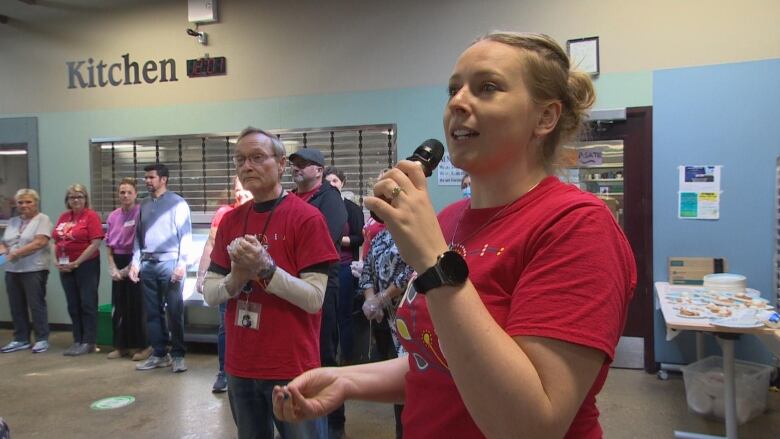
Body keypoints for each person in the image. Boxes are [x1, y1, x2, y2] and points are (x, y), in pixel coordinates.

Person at [272, 32, 636, 439]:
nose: (457, 102)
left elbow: (532, 424)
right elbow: (442, 364)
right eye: (453, 89)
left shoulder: (576, 226)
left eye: (487, 87)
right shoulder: (448, 220)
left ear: (545, 117)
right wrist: (348, 381)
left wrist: (432, 261)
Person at [202, 127, 338, 439]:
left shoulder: (306, 218)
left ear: (280, 165)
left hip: (291, 367)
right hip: (240, 366)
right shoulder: (231, 221)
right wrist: (237, 278)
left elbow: (315, 298)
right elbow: (210, 293)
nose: (246, 166)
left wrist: (266, 269)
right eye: (240, 160)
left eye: (257, 157)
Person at [289, 148, 348, 438]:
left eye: (303, 165)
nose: (296, 169)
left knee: (323, 350)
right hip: (290, 284)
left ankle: (333, 420)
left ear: (319, 170)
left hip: (323, 285)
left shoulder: (331, 199)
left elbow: (324, 239)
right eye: (294, 165)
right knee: (298, 351)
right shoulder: (288, 198)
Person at [129, 163, 192, 373]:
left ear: (163, 179)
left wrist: (182, 264)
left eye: (151, 177)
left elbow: (185, 235)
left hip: (170, 264)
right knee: (152, 313)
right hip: (148, 264)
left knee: (174, 312)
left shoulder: (178, 203)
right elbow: (138, 238)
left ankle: (178, 355)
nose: (147, 181)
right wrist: (136, 263)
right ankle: (159, 354)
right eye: (146, 178)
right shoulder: (143, 205)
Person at [195, 177, 253, 393]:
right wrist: (202, 275)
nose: (240, 194)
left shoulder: (263, 213)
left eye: (244, 190)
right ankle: (224, 372)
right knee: (225, 326)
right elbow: (210, 245)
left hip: (255, 284)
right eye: (237, 190)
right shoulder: (224, 214)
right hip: (226, 280)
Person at [358, 226, 413, 439]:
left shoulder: (412, 232)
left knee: (408, 386)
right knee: (395, 391)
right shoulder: (381, 235)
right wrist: (371, 299)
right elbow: (367, 272)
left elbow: (412, 271)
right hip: (383, 321)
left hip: (407, 320)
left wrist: (383, 297)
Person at [53, 184, 104, 356]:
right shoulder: (64, 217)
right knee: (73, 304)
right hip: (65, 266)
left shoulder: (91, 216)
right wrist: (55, 261)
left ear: (85, 198)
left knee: (87, 303)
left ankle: (89, 341)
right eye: (72, 197)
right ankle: (77, 339)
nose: (76, 200)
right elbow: (56, 241)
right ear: (67, 200)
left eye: (80, 196)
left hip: (86, 264)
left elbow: (95, 243)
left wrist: (77, 262)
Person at [104, 178, 152, 361]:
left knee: (137, 306)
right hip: (117, 261)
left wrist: (127, 270)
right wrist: (113, 268)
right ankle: (121, 345)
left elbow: (142, 243)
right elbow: (109, 244)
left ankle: (142, 345)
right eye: (122, 192)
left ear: (136, 194)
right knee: (119, 306)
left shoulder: (140, 213)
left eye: (129, 192)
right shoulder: (113, 216)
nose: (125, 195)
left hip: (136, 261)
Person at [0, 189, 52, 354]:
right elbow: (4, 242)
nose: (24, 205)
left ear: (36, 203)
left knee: (36, 304)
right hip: (12, 269)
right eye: (21, 202)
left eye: (28, 202)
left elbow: (40, 242)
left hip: (34, 268)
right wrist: (3, 250)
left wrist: (16, 253)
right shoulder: (13, 221)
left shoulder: (42, 219)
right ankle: (21, 338)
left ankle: (42, 339)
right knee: (16, 305)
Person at [323, 167, 365, 365]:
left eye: (335, 181)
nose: (331, 185)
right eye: (327, 181)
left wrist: (337, 239)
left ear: (342, 183)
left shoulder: (352, 209)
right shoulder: (319, 206)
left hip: (345, 269)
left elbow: (358, 238)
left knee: (344, 316)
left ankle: (348, 360)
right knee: (326, 318)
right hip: (323, 269)